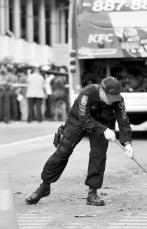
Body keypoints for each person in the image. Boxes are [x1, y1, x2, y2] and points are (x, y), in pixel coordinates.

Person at [25, 76, 133, 206]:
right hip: (79, 120)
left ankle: (92, 192)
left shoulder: (118, 100)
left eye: (114, 98)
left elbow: (123, 121)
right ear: (102, 91)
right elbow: (84, 119)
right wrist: (104, 130)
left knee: (98, 155)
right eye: (109, 97)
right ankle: (44, 186)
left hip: (103, 121)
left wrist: (127, 144)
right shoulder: (87, 93)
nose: (112, 101)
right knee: (63, 150)